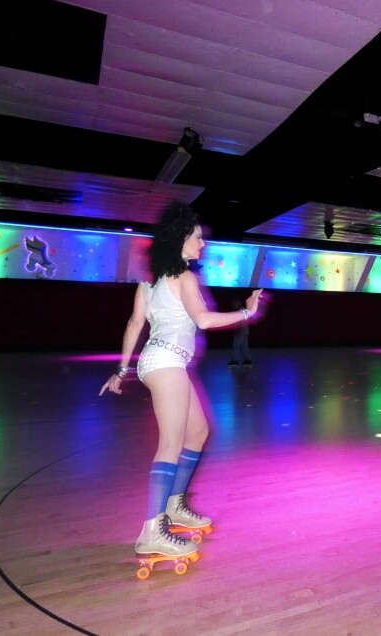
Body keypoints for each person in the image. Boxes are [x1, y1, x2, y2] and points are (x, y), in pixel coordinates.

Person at [99, 202, 263, 559]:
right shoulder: (185, 278)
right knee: (171, 443)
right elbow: (203, 320)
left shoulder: (148, 282)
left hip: (158, 360)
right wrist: (246, 312)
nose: (202, 245)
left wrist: (123, 370)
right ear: (180, 240)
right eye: (197, 238)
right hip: (168, 360)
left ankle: (174, 506)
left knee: (199, 432)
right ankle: (151, 531)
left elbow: (133, 325)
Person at [228, 298, 251, 368]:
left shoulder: (241, 310)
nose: (233, 305)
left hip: (240, 332)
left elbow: (242, 322)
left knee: (236, 346)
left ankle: (235, 361)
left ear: (238, 303)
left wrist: (238, 331)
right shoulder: (241, 310)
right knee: (244, 346)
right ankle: (248, 360)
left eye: (235, 303)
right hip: (244, 332)